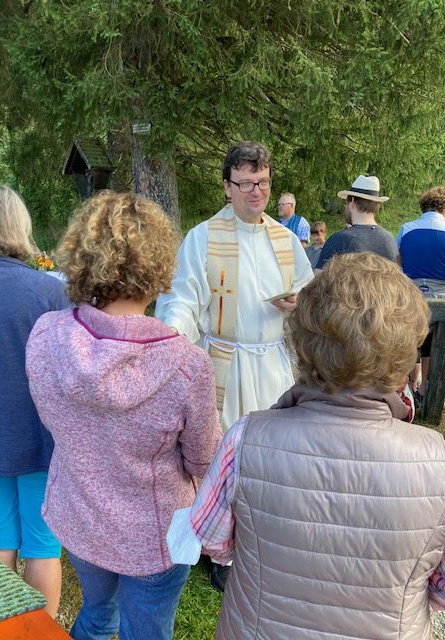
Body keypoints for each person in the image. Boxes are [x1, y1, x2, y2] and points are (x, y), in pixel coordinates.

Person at [190, 252, 445, 639]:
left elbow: (211, 540)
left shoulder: (245, 439)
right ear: (403, 360)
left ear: (303, 345)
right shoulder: (437, 461)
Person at [26, 191, 222, 640]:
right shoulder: (187, 366)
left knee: (97, 616)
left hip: (80, 517)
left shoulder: (47, 336)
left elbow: (51, 413)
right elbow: (203, 460)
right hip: (153, 535)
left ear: (82, 255)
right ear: (158, 264)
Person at [155, 142, 314, 589]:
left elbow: (311, 294)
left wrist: (301, 304)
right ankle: (222, 551)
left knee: (272, 455)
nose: (256, 191)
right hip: (223, 361)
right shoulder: (203, 237)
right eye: (245, 183)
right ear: (227, 187)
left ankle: (266, 539)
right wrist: (172, 339)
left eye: (262, 182)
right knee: (223, 455)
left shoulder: (285, 240)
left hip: (274, 362)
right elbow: (182, 298)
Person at [0, 184, 69, 617]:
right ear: (19, 226)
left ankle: (1, 630)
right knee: (42, 546)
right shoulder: (49, 292)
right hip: (40, 438)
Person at [397, 186, 445, 404]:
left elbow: (398, 266)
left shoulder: (406, 229)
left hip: (412, 298)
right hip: (441, 299)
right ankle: (425, 388)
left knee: (411, 341)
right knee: (435, 343)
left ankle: (408, 387)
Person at [316, 175, 397, 270]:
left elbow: (319, 276)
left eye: (346, 203)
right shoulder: (389, 240)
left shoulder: (339, 241)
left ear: (352, 203)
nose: (345, 207)